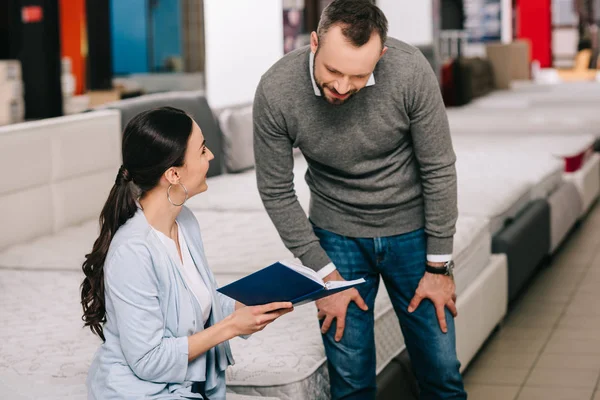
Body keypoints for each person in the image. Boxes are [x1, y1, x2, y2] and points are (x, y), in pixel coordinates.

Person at [253, 1, 466, 399]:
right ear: (314, 42)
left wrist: (439, 266)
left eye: (358, 75)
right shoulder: (277, 90)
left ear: (381, 56)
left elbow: (438, 167)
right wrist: (325, 275)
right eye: (333, 71)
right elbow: (276, 190)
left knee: (442, 374)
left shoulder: (409, 69)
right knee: (350, 383)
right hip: (337, 236)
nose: (342, 87)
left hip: (413, 234)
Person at [81, 107, 293, 400]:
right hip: (137, 392)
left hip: (184, 387)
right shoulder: (132, 251)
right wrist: (230, 327)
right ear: (173, 173)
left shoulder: (185, 222)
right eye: (203, 150)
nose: (211, 157)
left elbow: (198, 299)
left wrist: (252, 306)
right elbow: (148, 361)